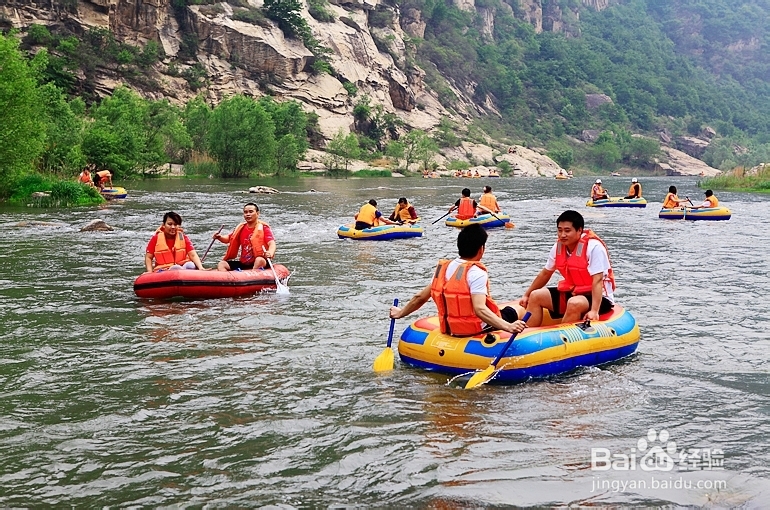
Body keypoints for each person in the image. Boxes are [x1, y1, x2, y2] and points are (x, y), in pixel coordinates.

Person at [390, 224, 527, 336]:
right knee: (519, 309)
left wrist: (400, 313)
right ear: (481, 249)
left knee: (504, 309)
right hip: (477, 330)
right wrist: (509, 327)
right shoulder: (476, 272)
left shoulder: (443, 269)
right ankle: (529, 333)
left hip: (451, 330)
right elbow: (479, 309)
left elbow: (419, 297)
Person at [519, 210, 615, 327]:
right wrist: (527, 294)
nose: (562, 235)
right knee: (535, 295)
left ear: (579, 230)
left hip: (599, 298)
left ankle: (559, 339)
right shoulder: (558, 247)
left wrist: (594, 311)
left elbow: (598, 280)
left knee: (574, 303)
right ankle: (527, 335)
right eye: (560, 230)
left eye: (567, 230)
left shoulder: (594, 247)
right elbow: (545, 273)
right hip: (574, 291)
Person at [213, 203, 276, 271]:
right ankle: (227, 280)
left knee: (259, 260)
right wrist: (219, 237)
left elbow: (272, 243)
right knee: (222, 264)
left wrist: (270, 252)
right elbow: (229, 238)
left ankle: (253, 276)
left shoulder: (264, 228)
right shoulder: (241, 228)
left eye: (251, 212)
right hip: (244, 263)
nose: (248, 214)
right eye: (245, 212)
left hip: (260, 261)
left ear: (257, 213)